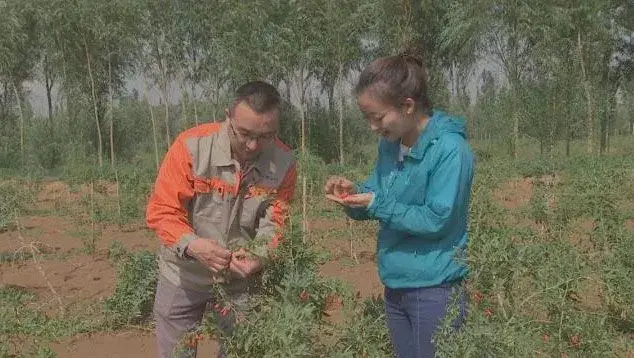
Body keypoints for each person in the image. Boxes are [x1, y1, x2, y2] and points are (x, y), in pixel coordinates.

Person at [324, 54, 474, 358]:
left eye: (377, 117)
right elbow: (377, 194)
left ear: (407, 106)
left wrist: (377, 203)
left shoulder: (450, 150)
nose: (372, 127)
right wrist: (352, 195)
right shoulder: (392, 144)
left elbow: (436, 219)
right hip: (397, 285)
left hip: (435, 288)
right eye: (367, 117)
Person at [146, 81, 297, 358]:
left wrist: (261, 256)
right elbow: (163, 211)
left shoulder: (284, 161)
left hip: (241, 281)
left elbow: (277, 222)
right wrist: (193, 246)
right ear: (227, 116)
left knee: (240, 351)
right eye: (244, 133)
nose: (253, 145)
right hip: (183, 273)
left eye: (266, 136)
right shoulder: (191, 147)